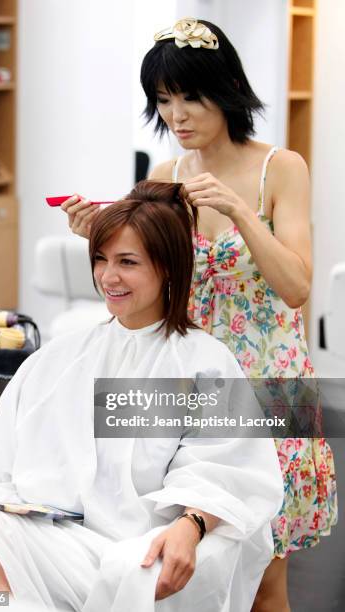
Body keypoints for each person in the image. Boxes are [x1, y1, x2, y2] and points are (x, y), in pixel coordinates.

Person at [61, 18, 337, 612]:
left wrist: (239, 211)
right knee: (178, 561)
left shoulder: (279, 168)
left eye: (190, 96)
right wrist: (97, 235)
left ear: (228, 88)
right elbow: (139, 276)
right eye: (163, 101)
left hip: (266, 379)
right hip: (187, 378)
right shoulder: (164, 180)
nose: (176, 115)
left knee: (263, 574)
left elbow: (295, 286)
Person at [0, 181, 283, 612]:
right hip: (51, 534)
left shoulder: (202, 362)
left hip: (136, 545)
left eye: (127, 262)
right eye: (101, 260)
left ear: (168, 269)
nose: (108, 277)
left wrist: (191, 524)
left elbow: (230, 470)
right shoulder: (62, 356)